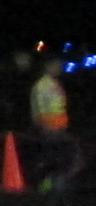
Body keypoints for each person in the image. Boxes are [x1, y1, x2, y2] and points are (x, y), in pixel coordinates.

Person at [30, 59, 83, 194]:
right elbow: (39, 107)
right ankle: (50, 183)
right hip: (51, 127)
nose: (59, 69)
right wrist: (44, 125)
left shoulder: (53, 83)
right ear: (48, 67)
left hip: (58, 125)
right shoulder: (42, 85)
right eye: (56, 66)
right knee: (61, 155)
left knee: (58, 156)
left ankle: (52, 183)